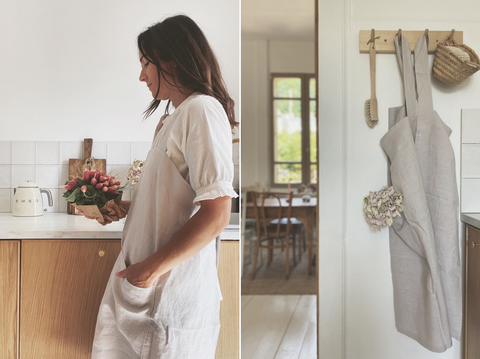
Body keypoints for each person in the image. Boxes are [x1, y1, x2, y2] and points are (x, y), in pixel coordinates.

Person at [91, 14, 238, 359]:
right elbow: (171, 203)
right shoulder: (173, 118)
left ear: (172, 59)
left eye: (146, 63)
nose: (141, 75)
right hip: (150, 293)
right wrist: (121, 207)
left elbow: (216, 213)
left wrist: (148, 272)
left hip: (170, 297)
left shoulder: (201, 110)